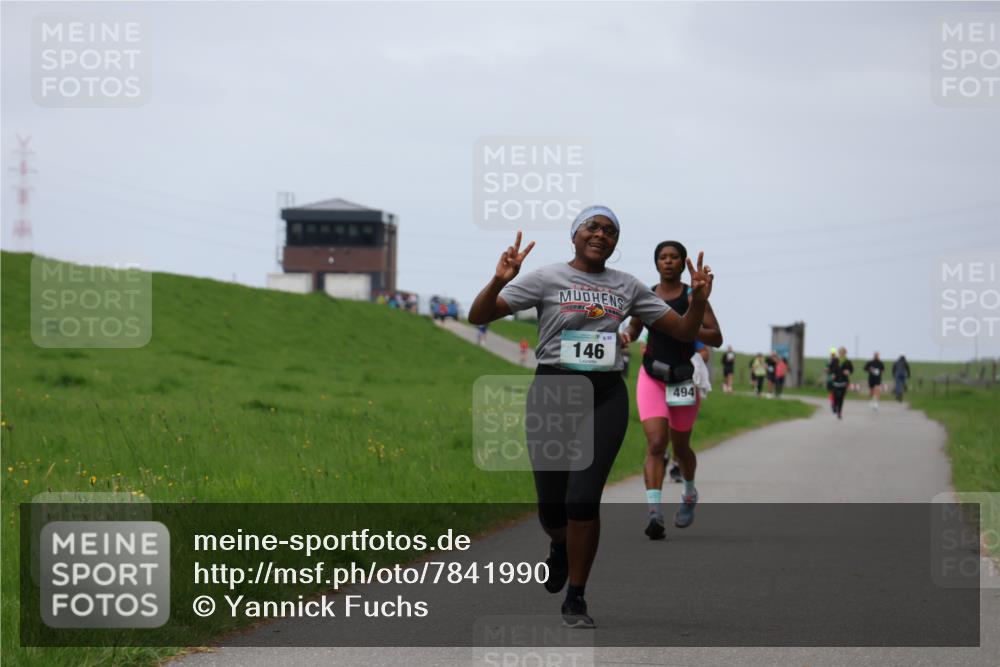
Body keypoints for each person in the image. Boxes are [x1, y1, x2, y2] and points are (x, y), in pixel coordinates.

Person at [468, 206, 714, 629]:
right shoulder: (547, 278)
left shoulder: (628, 286)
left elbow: (684, 332)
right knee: (552, 509)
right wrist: (499, 280)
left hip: (604, 397)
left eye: (610, 231)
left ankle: (576, 596)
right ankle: (559, 547)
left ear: (616, 243)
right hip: (552, 392)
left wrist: (699, 302)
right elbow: (479, 316)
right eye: (593, 227)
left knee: (582, 498)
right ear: (575, 235)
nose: (602, 234)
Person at [624, 241, 723, 540]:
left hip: (683, 379)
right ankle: (654, 512)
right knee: (656, 443)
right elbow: (634, 327)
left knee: (680, 449)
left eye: (674, 258)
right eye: (663, 258)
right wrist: (625, 337)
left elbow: (716, 337)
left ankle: (689, 493)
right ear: (656, 264)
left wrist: (685, 323)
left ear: (682, 264)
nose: (668, 262)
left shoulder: (694, 296)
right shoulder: (647, 295)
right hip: (652, 376)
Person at [830, 346, 854, 419]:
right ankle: (834, 406)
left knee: (841, 398)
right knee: (836, 396)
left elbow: (852, 370)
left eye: (843, 352)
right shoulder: (835, 360)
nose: (842, 354)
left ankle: (839, 413)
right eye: (840, 352)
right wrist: (832, 374)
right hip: (836, 381)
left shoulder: (848, 361)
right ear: (839, 353)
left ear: (845, 353)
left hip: (844, 382)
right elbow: (831, 368)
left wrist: (848, 372)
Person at [824, 348, 838, 413]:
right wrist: (826, 369)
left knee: (835, 392)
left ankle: (835, 403)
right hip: (830, 379)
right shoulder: (828, 361)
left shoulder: (837, 361)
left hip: (836, 379)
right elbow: (826, 369)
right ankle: (833, 403)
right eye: (831, 354)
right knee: (831, 392)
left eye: (833, 354)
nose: (832, 355)